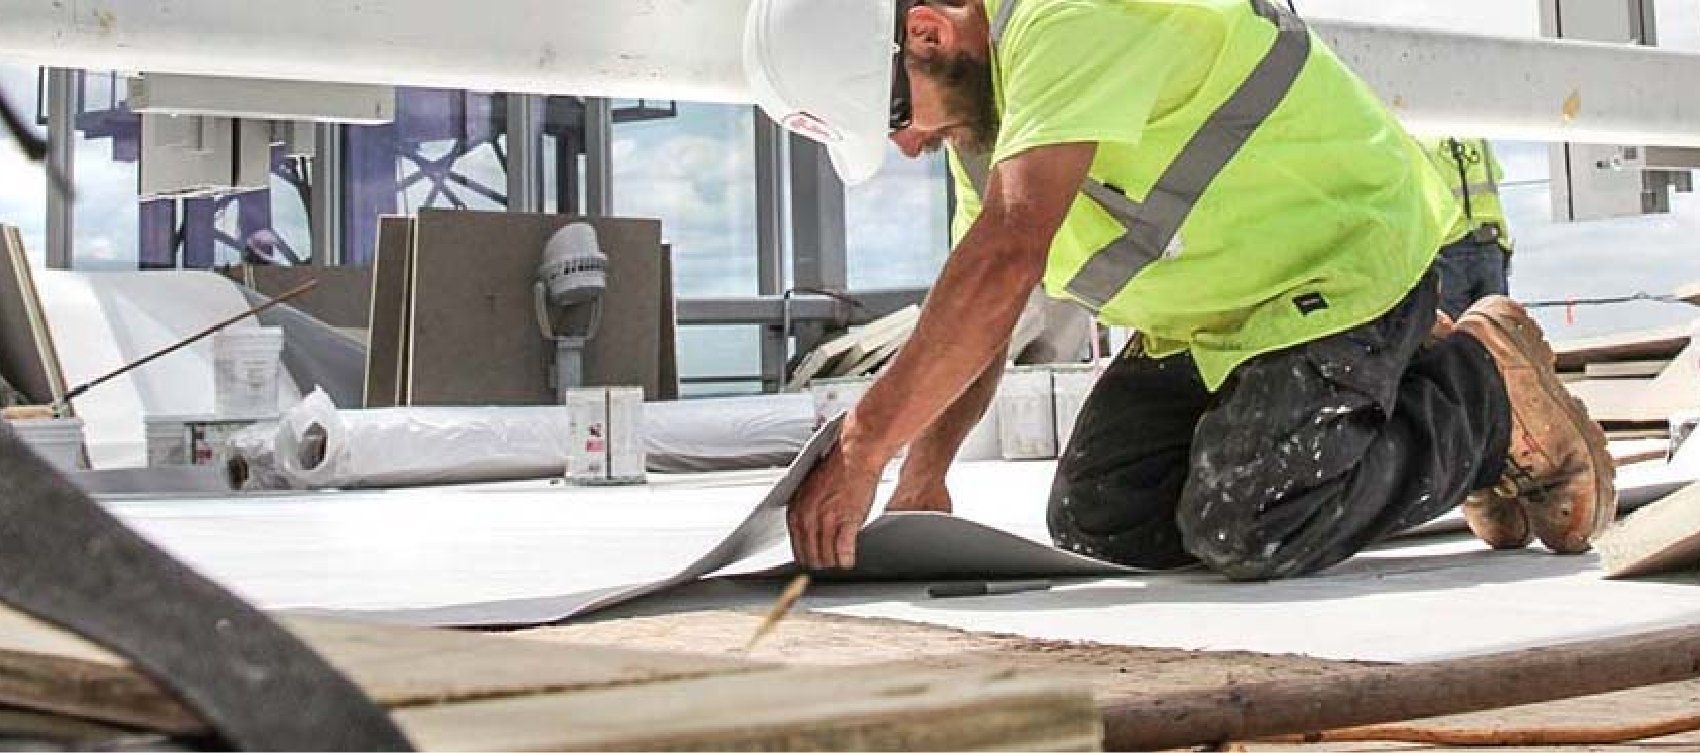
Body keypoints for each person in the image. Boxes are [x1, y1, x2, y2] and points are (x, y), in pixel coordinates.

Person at [744, 0, 1616, 578]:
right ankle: (1390, 390)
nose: (903, 148)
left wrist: (862, 447)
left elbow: (1010, 255)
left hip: (1337, 265)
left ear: (929, 34)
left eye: (896, 119)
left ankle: (1480, 393)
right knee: (1099, 520)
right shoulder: (990, 108)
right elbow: (987, 296)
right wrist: (922, 479)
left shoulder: (1071, 15)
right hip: (1221, 323)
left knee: (1245, 520)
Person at [1422, 137, 1517, 318]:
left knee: (1450, 336)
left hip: (1447, 248)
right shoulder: (1478, 138)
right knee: (1496, 331)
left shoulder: (1418, 140)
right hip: (1489, 244)